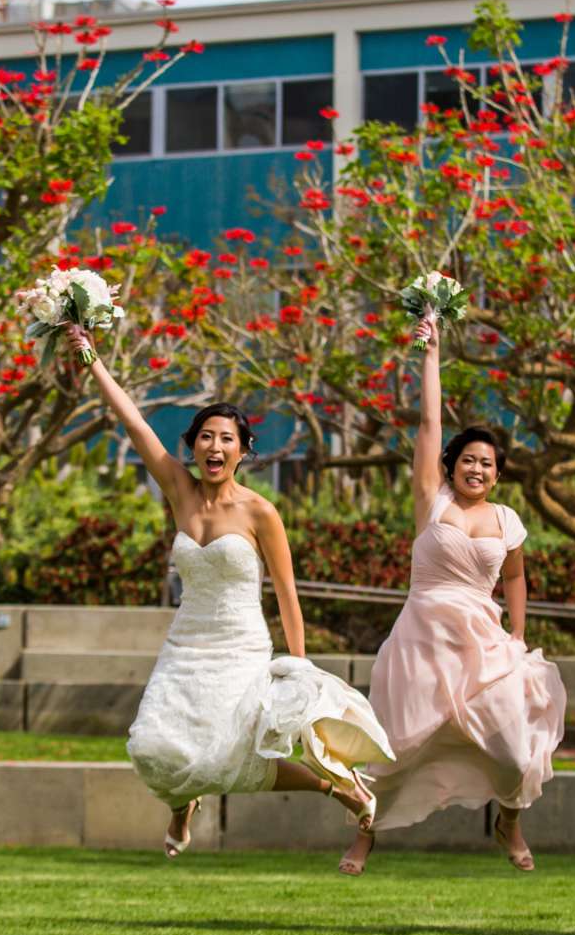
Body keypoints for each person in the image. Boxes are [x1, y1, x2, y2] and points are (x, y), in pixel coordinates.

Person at [70, 324, 391, 854]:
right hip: (185, 645)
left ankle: (334, 788)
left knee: (230, 756)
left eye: (226, 439)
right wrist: (91, 360)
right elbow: (132, 422)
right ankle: (183, 807)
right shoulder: (179, 490)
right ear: (193, 445)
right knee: (153, 747)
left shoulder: (260, 511)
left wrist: (299, 664)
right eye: (205, 436)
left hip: (240, 646)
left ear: (242, 451)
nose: (214, 446)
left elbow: (287, 593)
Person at [343, 316, 565, 876]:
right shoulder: (431, 502)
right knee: (398, 745)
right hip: (422, 636)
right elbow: (428, 421)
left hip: (482, 642)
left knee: (514, 750)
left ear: (497, 475)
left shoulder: (507, 519)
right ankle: (366, 833)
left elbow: (513, 576)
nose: (477, 468)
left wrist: (517, 630)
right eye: (468, 459)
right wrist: (431, 353)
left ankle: (508, 820)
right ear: (452, 465)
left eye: (488, 464)